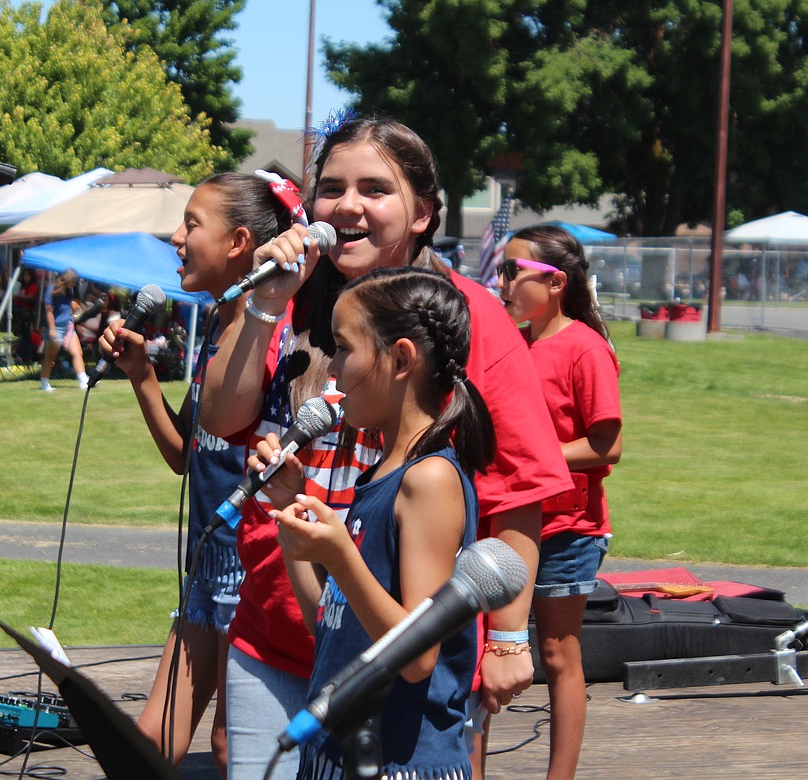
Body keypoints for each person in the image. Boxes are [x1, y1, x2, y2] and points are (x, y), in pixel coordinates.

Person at [198, 117, 571, 779]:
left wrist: (511, 637)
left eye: (375, 189)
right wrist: (264, 304)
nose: (347, 207)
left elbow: (518, 488)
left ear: (422, 212)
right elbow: (224, 419)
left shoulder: (466, 316)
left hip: (399, 651)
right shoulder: (290, 298)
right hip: (280, 629)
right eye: (332, 188)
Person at [99, 171, 296, 773]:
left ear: (239, 243)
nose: (176, 237)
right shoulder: (218, 327)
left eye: (191, 224)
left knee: (231, 744)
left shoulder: (276, 336)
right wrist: (142, 377)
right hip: (207, 563)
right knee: (152, 738)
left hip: (253, 562)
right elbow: (189, 454)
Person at [261, 266, 492, 778]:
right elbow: (330, 624)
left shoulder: (429, 479)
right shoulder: (381, 474)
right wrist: (291, 516)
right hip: (337, 753)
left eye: (344, 349)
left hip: (400, 763)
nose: (334, 370)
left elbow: (417, 657)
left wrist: (341, 554)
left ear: (402, 358)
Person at [494, 225, 622, 780]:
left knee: (556, 655)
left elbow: (607, 444)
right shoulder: (512, 342)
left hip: (568, 528)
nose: (501, 282)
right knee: (489, 651)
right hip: (504, 522)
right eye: (500, 270)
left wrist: (533, 456)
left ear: (555, 282)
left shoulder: (584, 348)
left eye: (512, 271)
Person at [39, 268, 89, 392]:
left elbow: (68, 306)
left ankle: (83, 381)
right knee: (50, 357)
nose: (74, 284)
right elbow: (49, 311)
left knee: (77, 352)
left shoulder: (69, 290)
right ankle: (44, 383)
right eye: (73, 281)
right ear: (67, 280)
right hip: (56, 328)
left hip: (69, 327)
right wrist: (52, 330)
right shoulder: (51, 290)